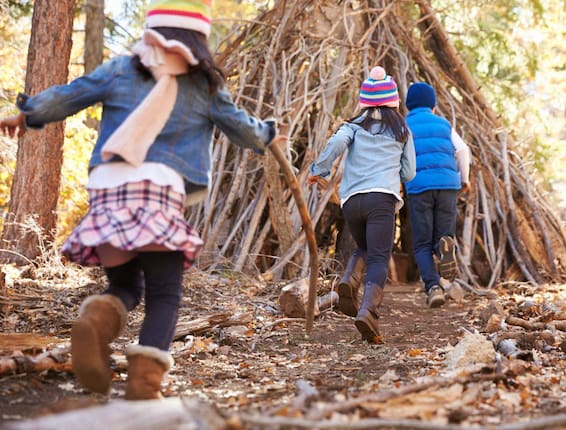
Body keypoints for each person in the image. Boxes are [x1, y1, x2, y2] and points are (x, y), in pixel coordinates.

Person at [0, 0, 277, 399]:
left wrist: (26, 116)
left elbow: (69, 95)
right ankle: (144, 383)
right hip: (158, 191)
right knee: (164, 293)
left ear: (152, 30)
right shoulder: (204, 85)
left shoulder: (120, 68)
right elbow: (245, 132)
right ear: (198, 38)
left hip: (109, 190)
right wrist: (268, 135)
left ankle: (96, 320)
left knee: (125, 285)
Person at [308, 66, 415, 344]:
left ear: (364, 102)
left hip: (351, 201)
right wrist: (394, 174)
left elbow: (336, 144)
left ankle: (349, 280)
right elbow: (410, 173)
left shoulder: (353, 127)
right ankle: (368, 311)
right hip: (382, 198)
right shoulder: (402, 129)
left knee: (364, 248)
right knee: (379, 257)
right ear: (393, 101)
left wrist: (318, 170)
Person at [404, 82, 471, 309]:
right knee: (442, 235)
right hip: (447, 185)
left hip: (419, 186)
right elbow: (462, 150)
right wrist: (465, 178)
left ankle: (433, 288)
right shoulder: (444, 124)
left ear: (408, 105)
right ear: (432, 105)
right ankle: (445, 247)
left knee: (422, 243)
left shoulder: (405, 125)